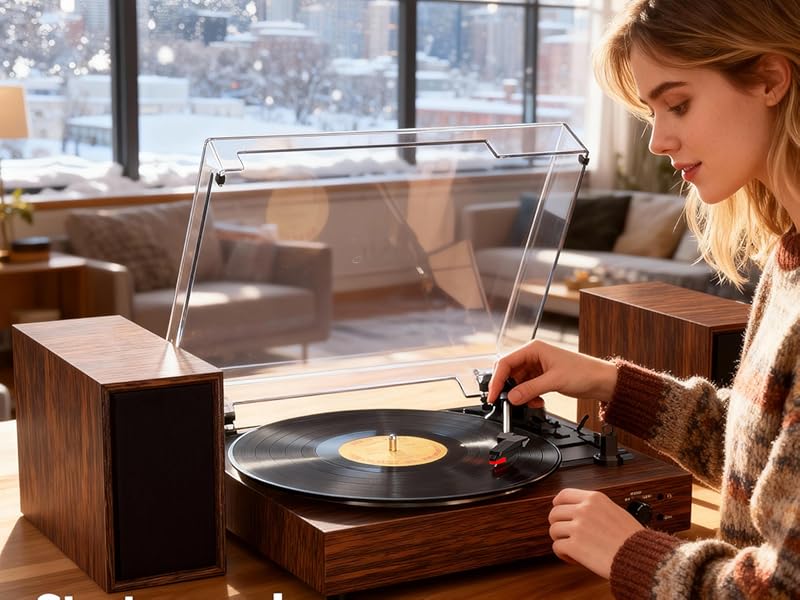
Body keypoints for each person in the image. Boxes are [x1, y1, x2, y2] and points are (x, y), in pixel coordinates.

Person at [487, 0, 800, 598]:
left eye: (677, 104)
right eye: (652, 112)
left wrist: (632, 550)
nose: (657, 141)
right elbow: (762, 462)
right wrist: (609, 382)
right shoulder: (789, 258)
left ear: (769, 78)